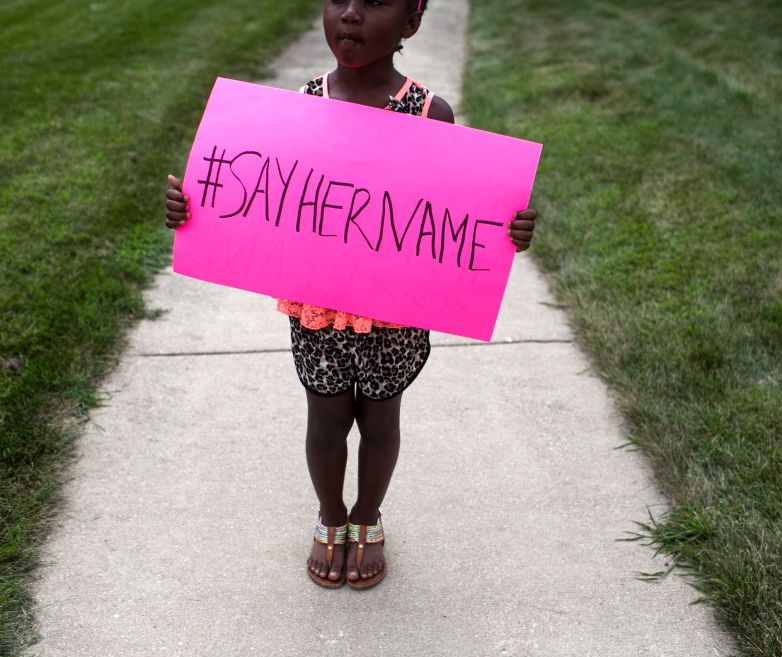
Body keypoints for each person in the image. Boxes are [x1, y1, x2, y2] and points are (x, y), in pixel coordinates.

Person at [163, 0, 538, 590]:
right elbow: (259, 189)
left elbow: (454, 211)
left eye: (376, 2)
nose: (352, 16)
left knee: (381, 418)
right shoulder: (301, 106)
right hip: (318, 307)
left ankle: (368, 515)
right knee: (326, 417)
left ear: (411, 23)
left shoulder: (429, 112)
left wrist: (504, 229)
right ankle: (331, 515)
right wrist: (195, 211)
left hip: (393, 311)